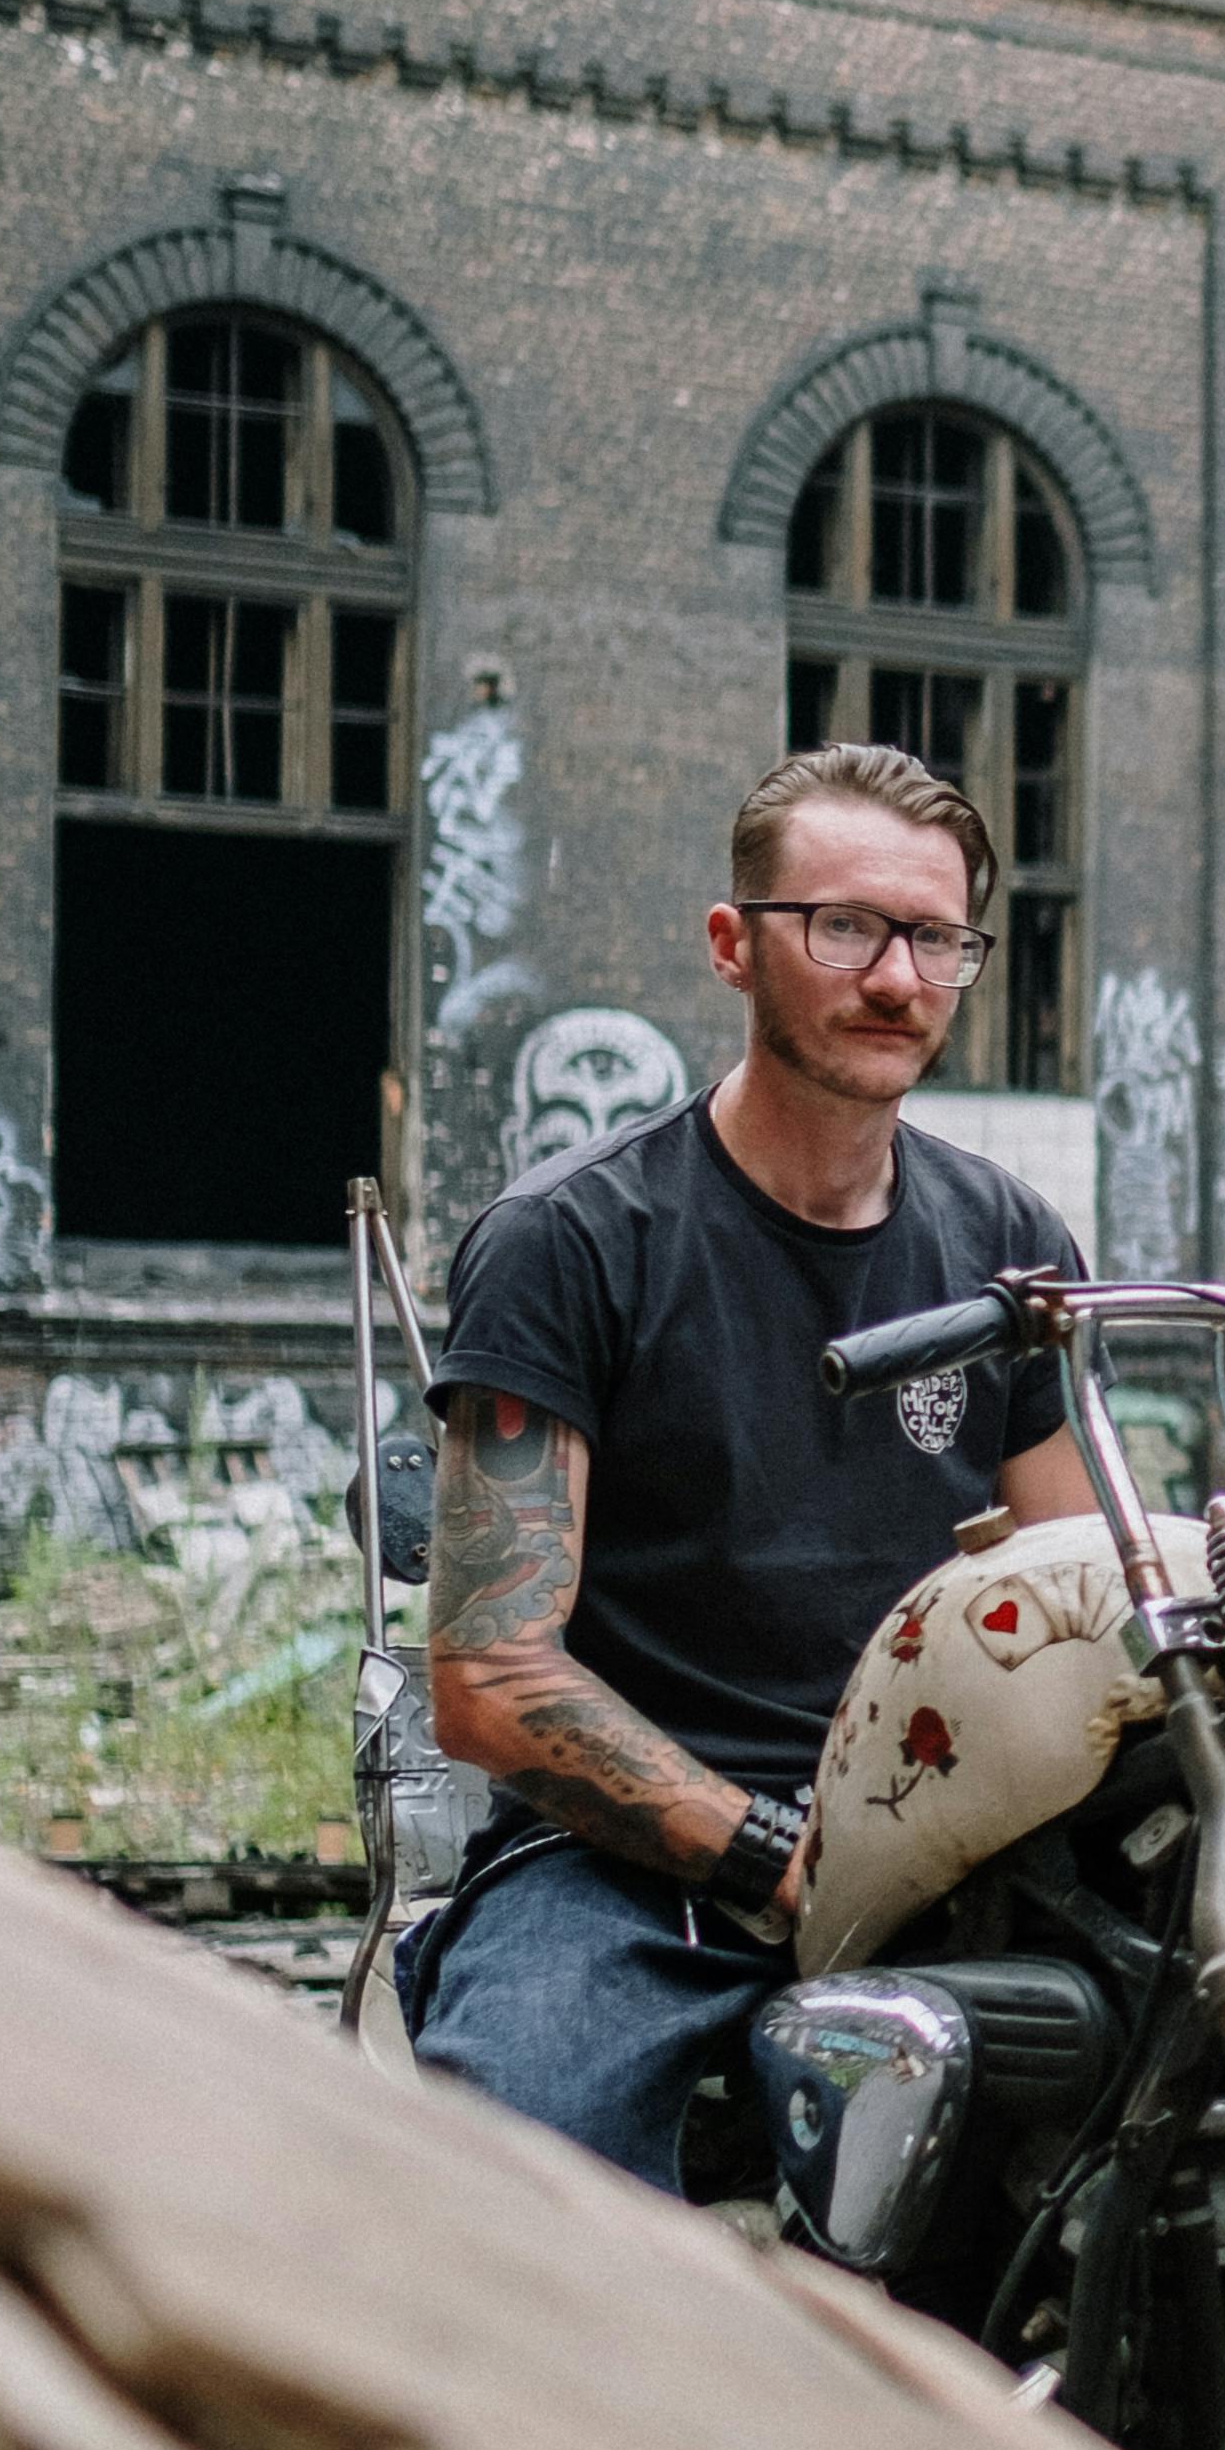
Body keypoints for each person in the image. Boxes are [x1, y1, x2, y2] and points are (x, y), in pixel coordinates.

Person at [413, 744, 1092, 2184]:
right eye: (843, 927)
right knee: (506, 2168)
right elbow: (489, 1679)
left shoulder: (1007, 1241)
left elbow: (1075, 1594)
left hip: (951, 1843)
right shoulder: (575, 1238)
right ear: (734, 944)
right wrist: (777, 1854)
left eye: (936, 939)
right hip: (629, 1871)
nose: (897, 979)